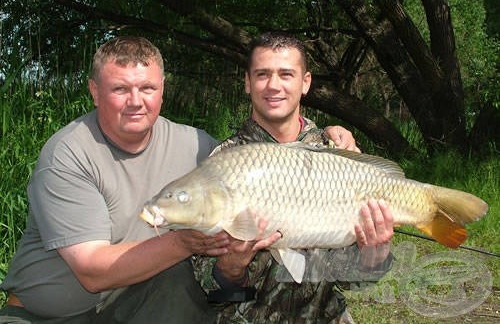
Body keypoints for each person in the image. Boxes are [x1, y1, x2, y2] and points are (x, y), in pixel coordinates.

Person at [0, 35, 358, 323]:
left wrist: (331, 145)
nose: (135, 102)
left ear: (163, 90)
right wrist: (186, 243)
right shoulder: (68, 153)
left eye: (147, 88)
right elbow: (93, 273)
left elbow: (263, 162)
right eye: (120, 89)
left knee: (178, 281)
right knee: (183, 270)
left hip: (135, 300)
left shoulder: (195, 145)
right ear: (94, 91)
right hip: (46, 314)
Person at [201, 32, 394, 324]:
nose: (274, 85)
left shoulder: (338, 153)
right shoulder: (223, 162)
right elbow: (210, 291)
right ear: (248, 82)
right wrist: (230, 267)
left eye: (286, 74)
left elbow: (354, 281)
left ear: (305, 83)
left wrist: (374, 256)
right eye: (262, 74)